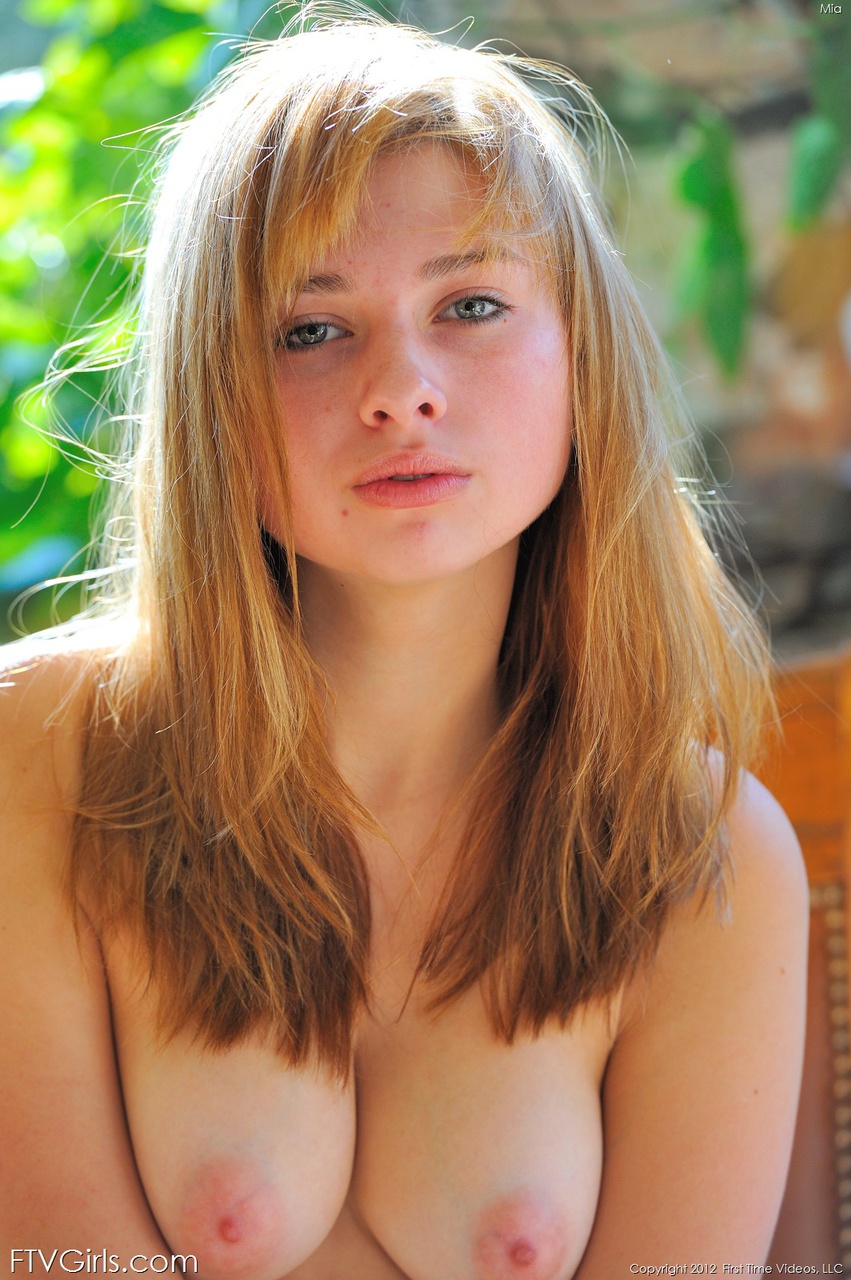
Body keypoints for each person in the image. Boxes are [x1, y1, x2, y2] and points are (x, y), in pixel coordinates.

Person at [0, 8, 808, 1278]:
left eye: (471, 303)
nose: (401, 390)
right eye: (310, 329)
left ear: (581, 356)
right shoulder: (39, 759)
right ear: (213, 391)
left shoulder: (698, 851)